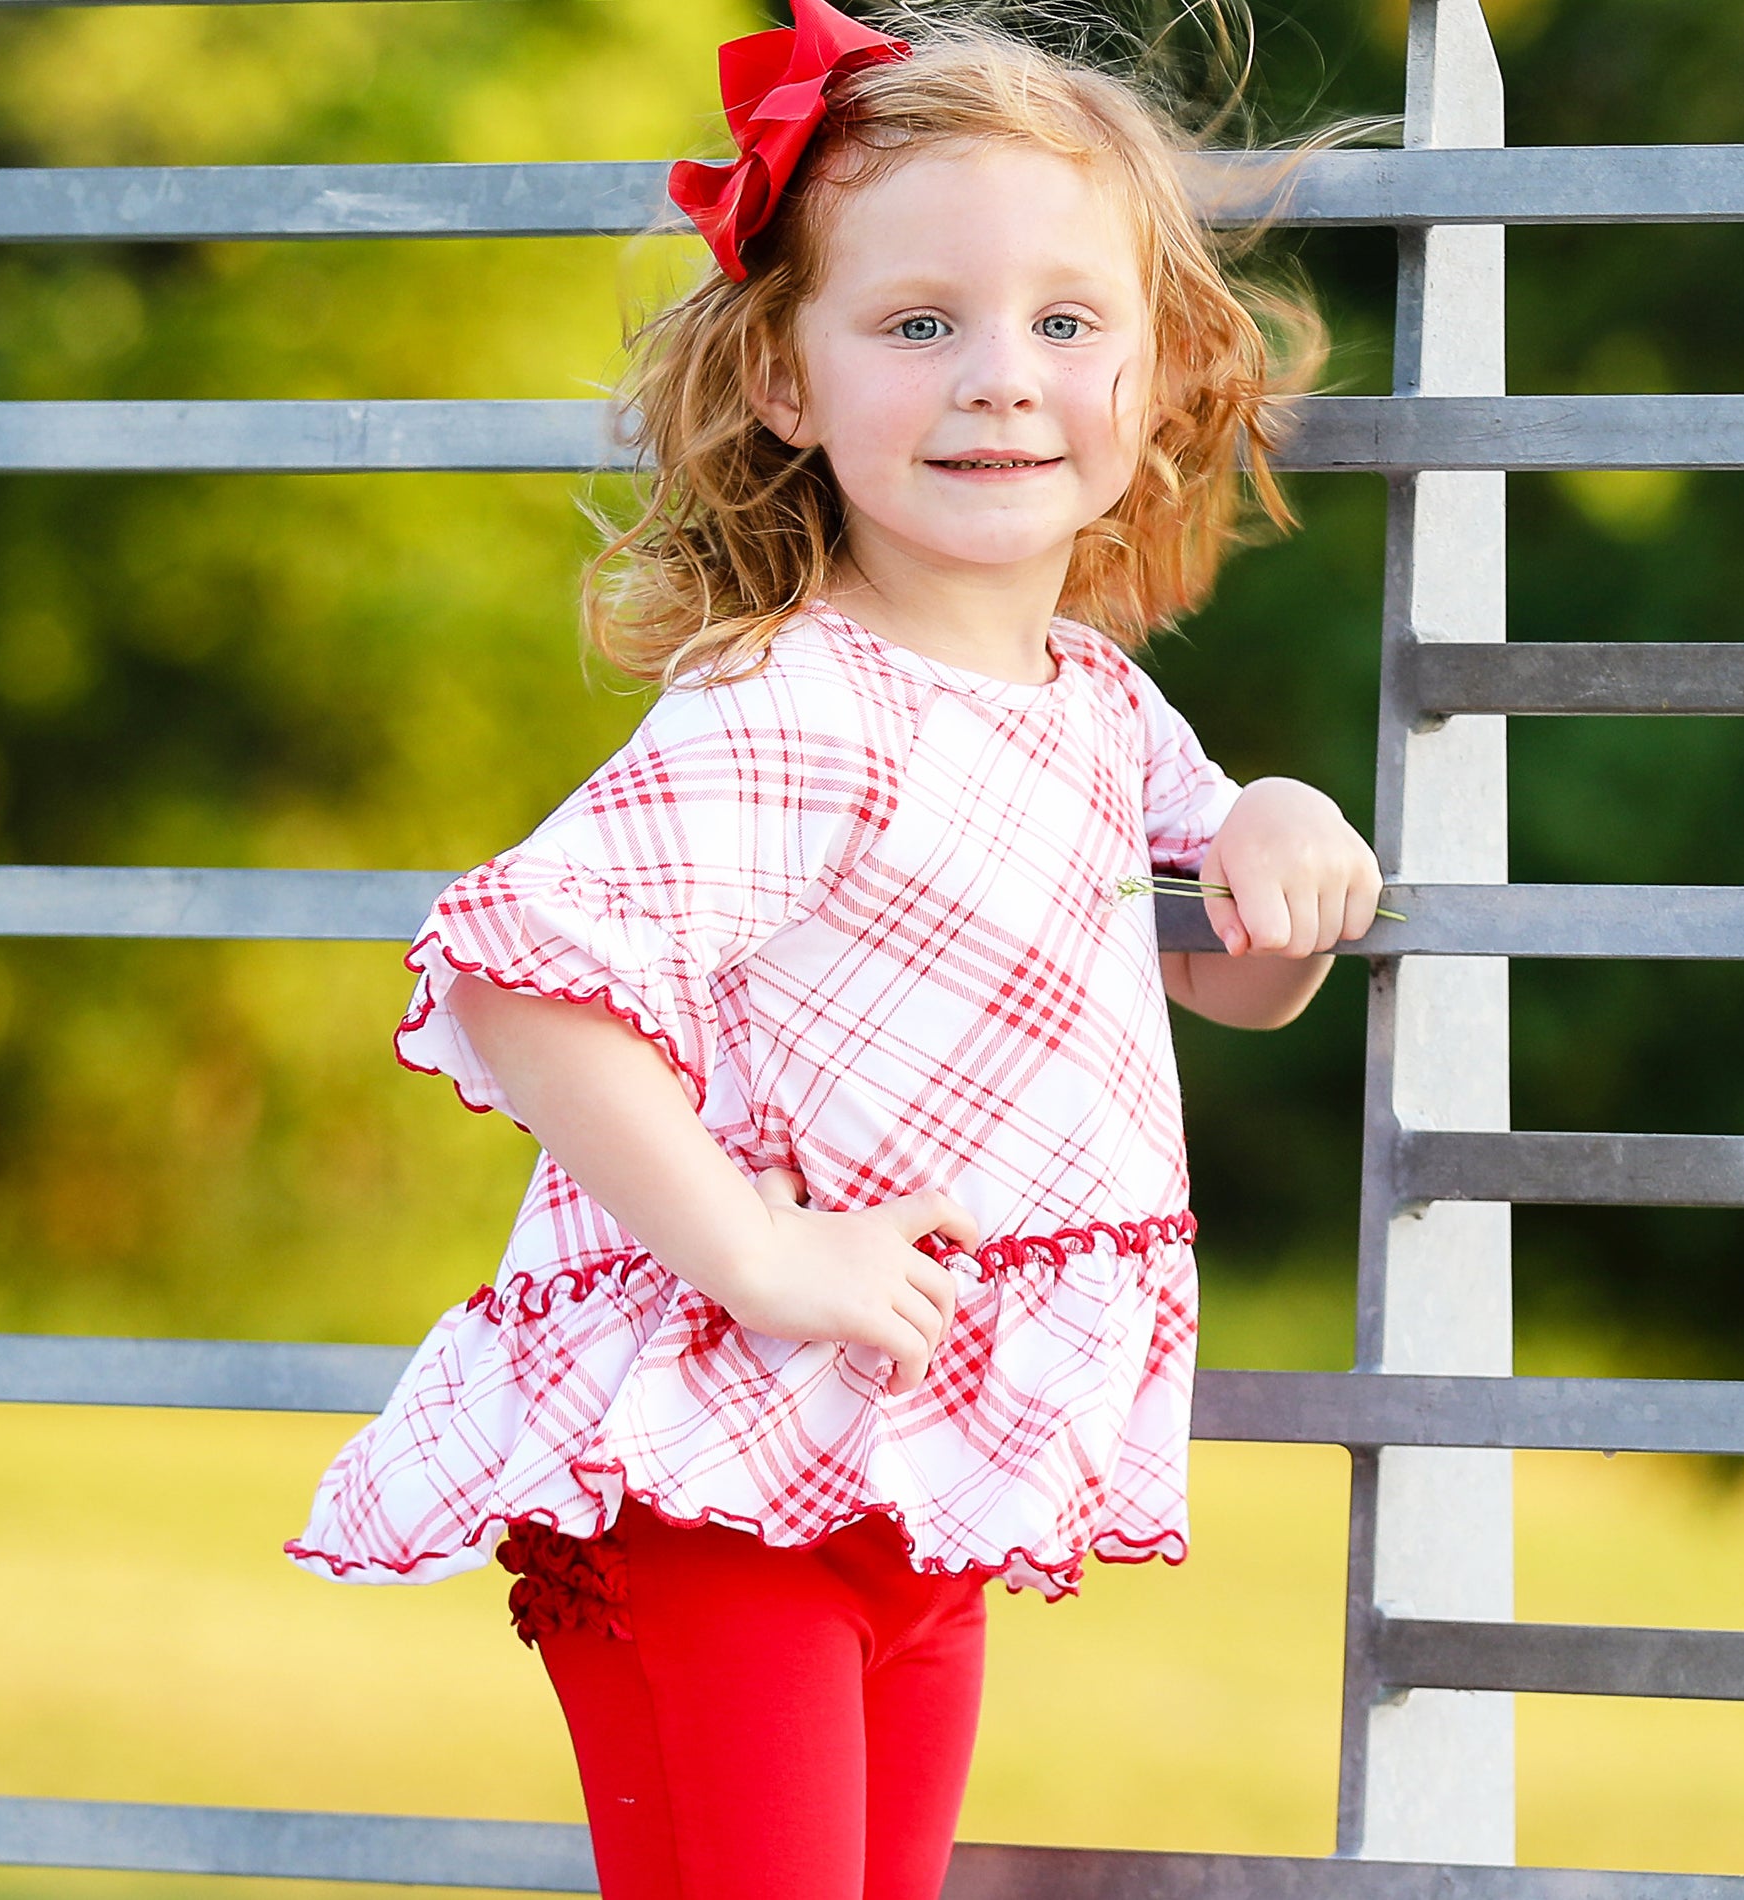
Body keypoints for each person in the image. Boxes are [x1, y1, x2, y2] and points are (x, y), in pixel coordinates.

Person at [288, 4, 1383, 1896]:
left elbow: (1219, 968)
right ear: (786, 381)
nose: (1000, 381)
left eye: (1065, 322)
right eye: (918, 323)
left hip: (912, 1466)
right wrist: (757, 1247)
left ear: (1159, 367)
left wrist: (1279, 835)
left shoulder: (1096, 708)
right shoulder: (792, 709)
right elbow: (520, 971)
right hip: (722, 1477)